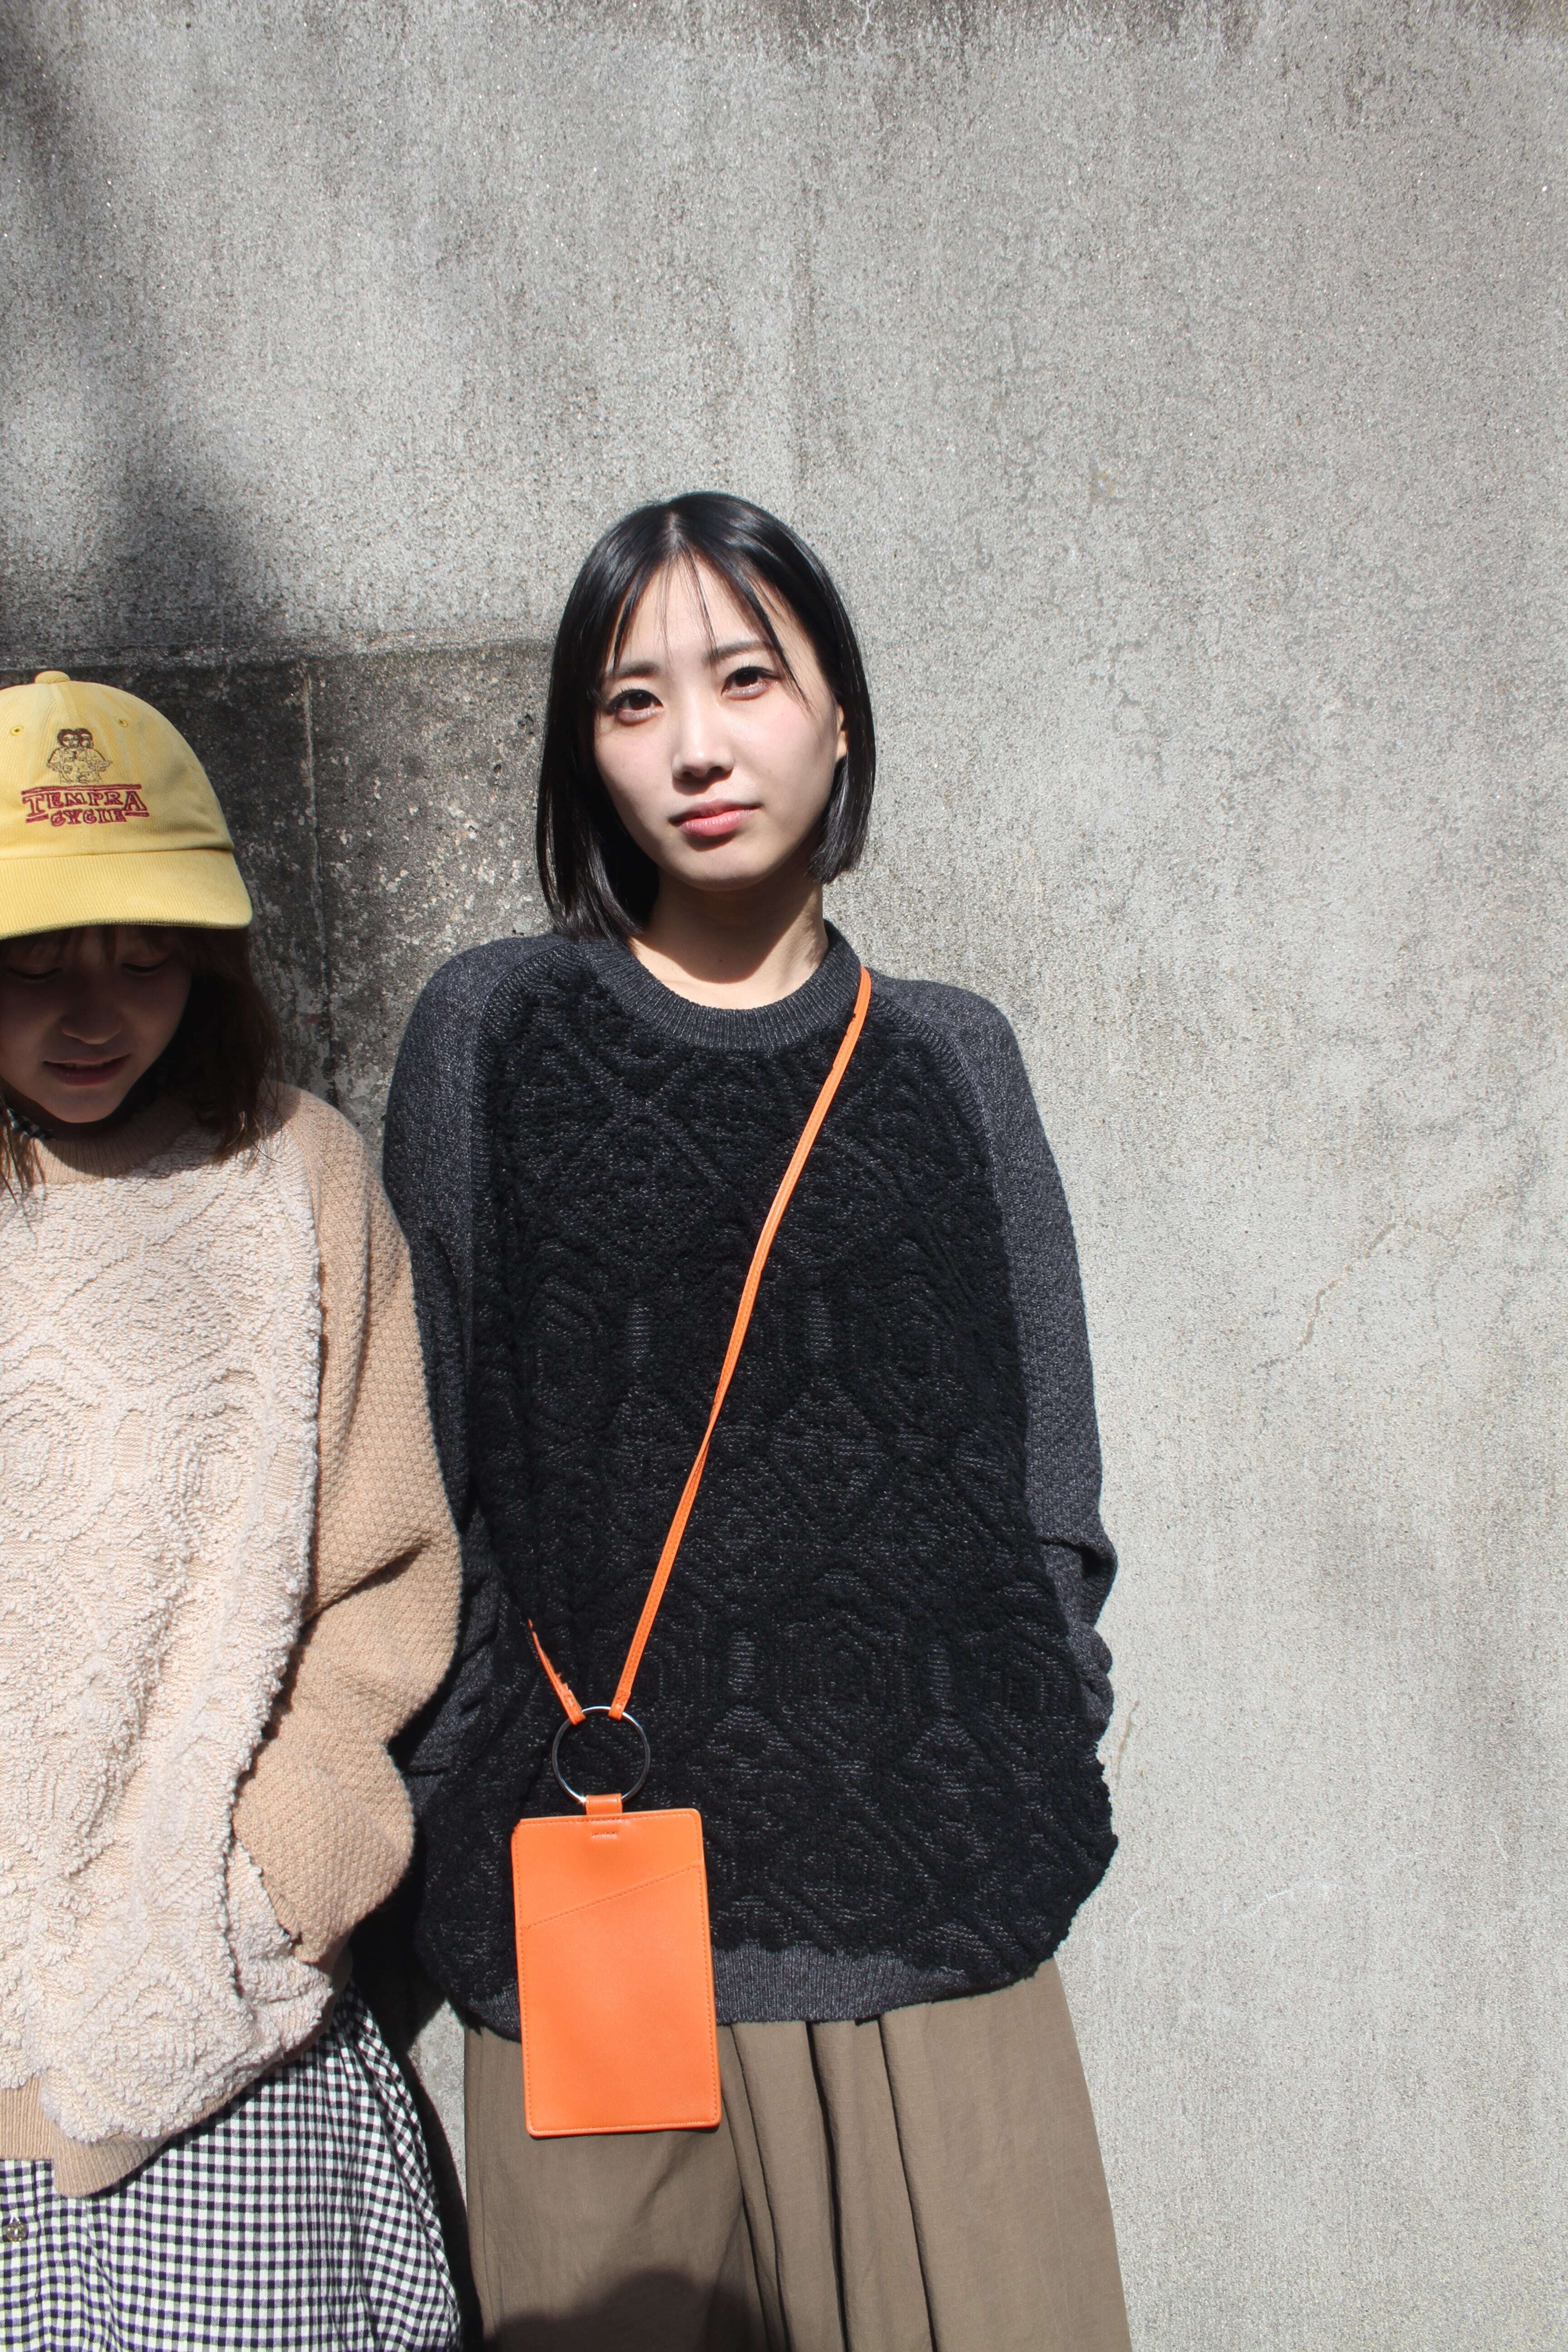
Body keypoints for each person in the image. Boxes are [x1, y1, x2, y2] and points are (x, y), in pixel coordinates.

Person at [386, 495, 1130, 2350]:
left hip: (932, 1919)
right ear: (585, 751)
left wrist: (1028, 1732)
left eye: (746, 680)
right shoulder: (493, 1034)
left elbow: (1047, 1476)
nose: (697, 747)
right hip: (591, 1921)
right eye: (634, 702)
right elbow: (425, 1466)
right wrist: (485, 1793)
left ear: (840, 713)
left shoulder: (951, 1056)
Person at [0, 672, 463, 2351]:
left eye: (145, 955)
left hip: (231, 2054)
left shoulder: (297, 1174)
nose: (93, 1011)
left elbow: (388, 1581)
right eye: (35, 961)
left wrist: (261, 1896)